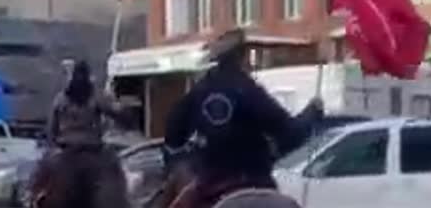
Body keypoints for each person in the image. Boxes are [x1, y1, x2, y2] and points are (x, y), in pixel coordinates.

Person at [162, 28, 324, 207]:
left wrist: (186, 163)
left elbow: (172, 138)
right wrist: (312, 113)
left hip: (209, 188)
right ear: (242, 56)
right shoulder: (249, 91)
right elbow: (290, 134)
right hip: (256, 183)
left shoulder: (198, 92)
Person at [31, 61, 130, 208]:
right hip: (93, 152)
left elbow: (51, 127)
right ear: (88, 77)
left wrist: (52, 145)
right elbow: (115, 112)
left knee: (40, 173)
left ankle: (34, 198)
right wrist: (125, 114)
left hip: (65, 150)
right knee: (115, 171)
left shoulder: (61, 99)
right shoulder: (95, 97)